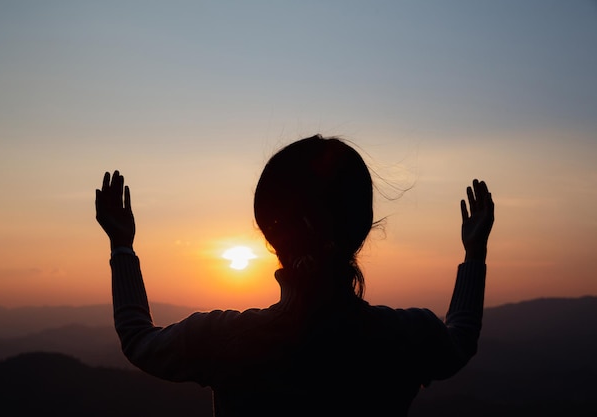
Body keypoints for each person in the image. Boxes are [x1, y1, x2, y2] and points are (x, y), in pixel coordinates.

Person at [95, 135, 494, 417]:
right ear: (364, 225)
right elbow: (459, 341)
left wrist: (122, 246)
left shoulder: (226, 340)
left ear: (269, 231)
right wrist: (474, 254)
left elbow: (138, 340)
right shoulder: (407, 336)